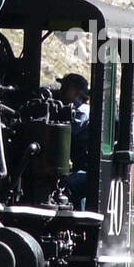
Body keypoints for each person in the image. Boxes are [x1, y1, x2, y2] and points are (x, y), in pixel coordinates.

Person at [58, 72, 90, 207]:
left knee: (67, 184)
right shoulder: (73, 110)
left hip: (84, 168)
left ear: (76, 92)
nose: (61, 91)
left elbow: (68, 134)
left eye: (65, 87)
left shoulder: (82, 112)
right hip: (77, 166)